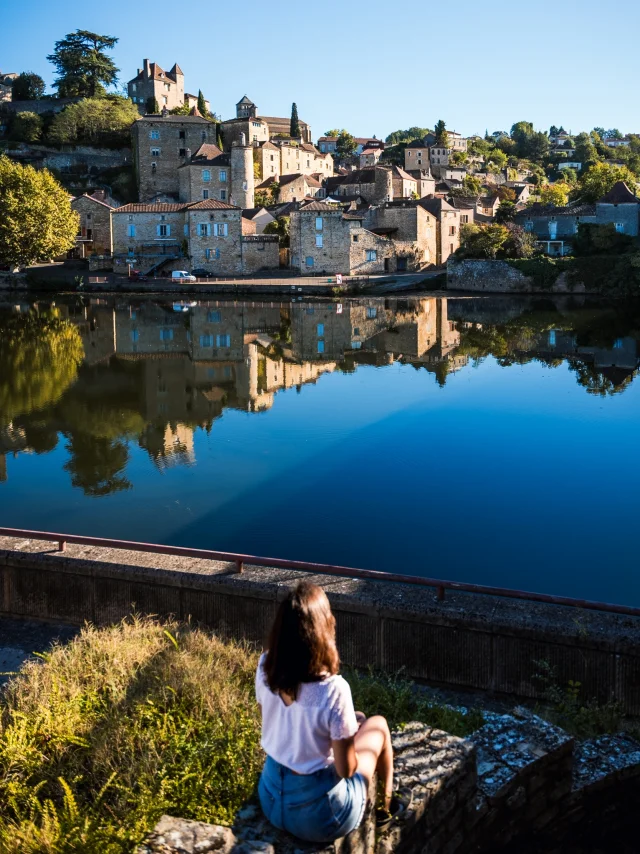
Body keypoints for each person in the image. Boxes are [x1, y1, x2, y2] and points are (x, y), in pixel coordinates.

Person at [255, 581, 410, 842]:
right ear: (323, 629)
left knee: (360, 720)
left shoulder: (265, 668)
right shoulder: (333, 690)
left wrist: (347, 726)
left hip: (270, 798)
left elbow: (280, 722)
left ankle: (385, 805)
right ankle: (386, 809)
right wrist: (351, 742)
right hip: (319, 817)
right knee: (379, 725)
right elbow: (346, 770)